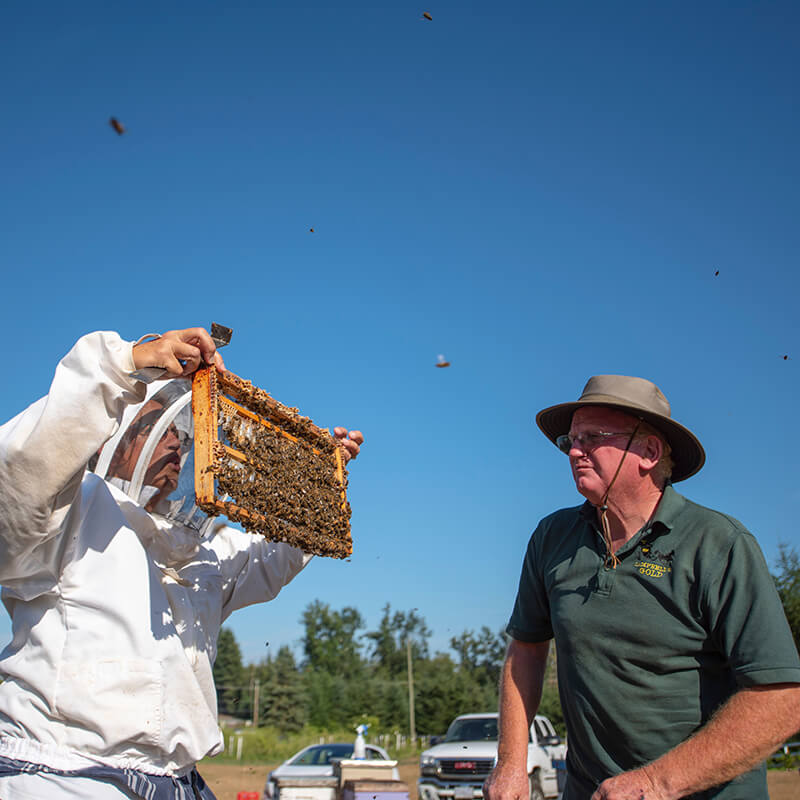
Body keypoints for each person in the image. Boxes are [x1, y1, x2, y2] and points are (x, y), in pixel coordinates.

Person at [0, 327, 364, 799]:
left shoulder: (195, 551)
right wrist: (124, 362)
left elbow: (269, 557)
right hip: (62, 774)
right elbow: (24, 466)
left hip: (174, 782)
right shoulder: (68, 513)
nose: (177, 445)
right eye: (161, 428)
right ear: (119, 433)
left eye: (183, 436)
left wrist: (317, 484)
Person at [483, 375, 800, 800]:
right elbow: (525, 650)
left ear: (649, 452)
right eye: (570, 440)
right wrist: (510, 764)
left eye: (593, 437)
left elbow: (781, 699)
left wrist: (656, 783)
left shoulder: (718, 544)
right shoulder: (553, 538)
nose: (575, 451)